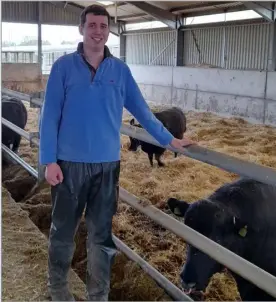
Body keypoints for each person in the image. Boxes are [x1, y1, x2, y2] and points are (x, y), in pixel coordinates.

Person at [39, 4, 195, 301]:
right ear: (81, 29)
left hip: (107, 167)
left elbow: (143, 112)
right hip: (68, 165)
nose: (97, 31)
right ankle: (58, 289)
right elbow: (49, 116)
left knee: (101, 236)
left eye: (103, 26)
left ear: (108, 30)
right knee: (63, 232)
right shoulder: (63, 67)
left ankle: (99, 295)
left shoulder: (120, 71)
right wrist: (49, 160)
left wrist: (170, 140)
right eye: (92, 25)